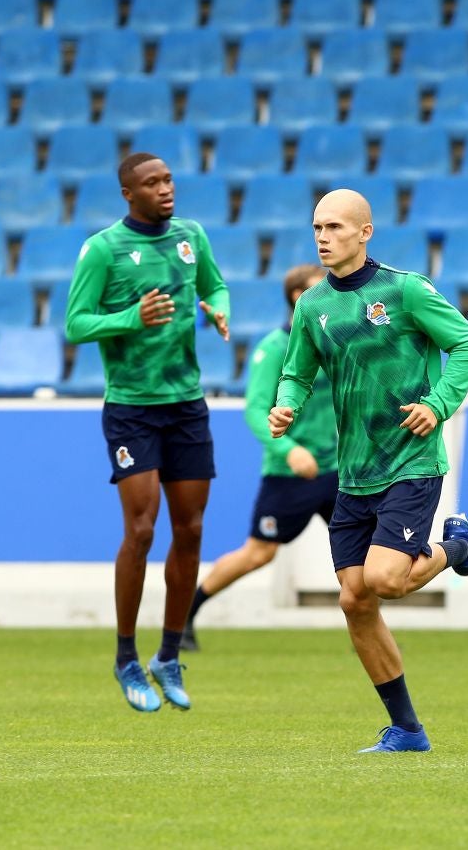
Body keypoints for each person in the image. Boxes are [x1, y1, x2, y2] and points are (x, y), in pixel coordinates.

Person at [269, 188, 468, 753]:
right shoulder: (311, 306)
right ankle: (408, 730)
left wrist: (437, 404)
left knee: (386, 580)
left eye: (335, 226)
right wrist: (286, 401)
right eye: (317, 226)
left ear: (365, 233)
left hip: (411, 462)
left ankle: (455, 550)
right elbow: (297, 372)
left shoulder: (405, 290)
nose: (322, 236)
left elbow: (466, 343)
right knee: (354, 598)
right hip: (355, 472)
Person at [65, 152, 230, 713]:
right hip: (132, 407)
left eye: (168, 179)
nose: (166, 189)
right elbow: (76, 323)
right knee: (141, 529)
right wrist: (131, 318)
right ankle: (125, 657)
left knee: (192, 529)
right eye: (152, 182)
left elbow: (216, 285)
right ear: (128, 193)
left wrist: (219, 308)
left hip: (186, 404)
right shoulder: (103, 249)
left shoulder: (191, 236)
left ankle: (167, 654)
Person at [183, 264, 337, 651]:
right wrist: (290, 449)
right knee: (259, 553)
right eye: (319, 290)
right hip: (290, 473)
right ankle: (185, 614)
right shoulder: (274, 347)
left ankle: (368, 633)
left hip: (340, 469)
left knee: (362, 553)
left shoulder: (340, 344)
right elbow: (255, 411)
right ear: (296, 297)